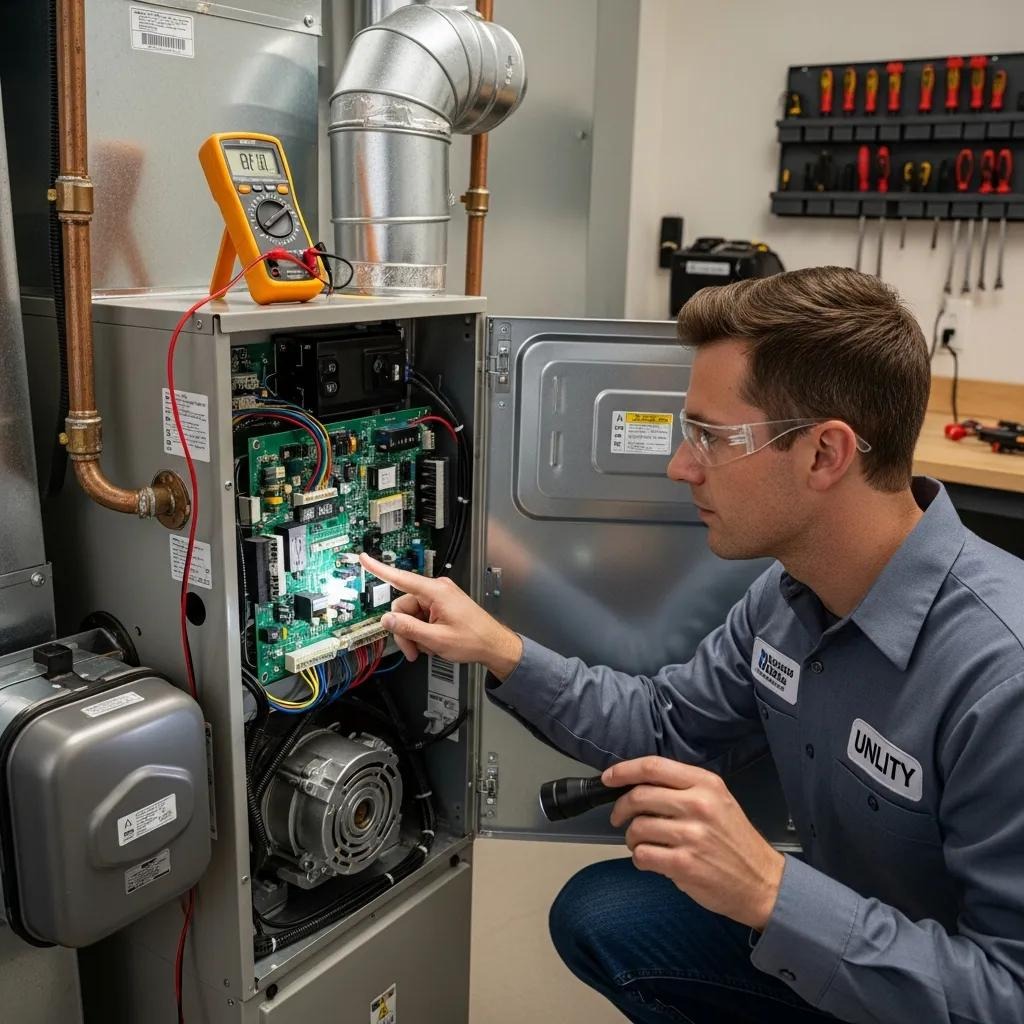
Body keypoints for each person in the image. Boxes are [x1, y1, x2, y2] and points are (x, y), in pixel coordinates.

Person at [361, 266, 1024, 1024]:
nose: (681, 467)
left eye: (711, 437)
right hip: (857, 946)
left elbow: (1006, 993)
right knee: (603, 913)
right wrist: (499, 649)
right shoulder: (784, 598)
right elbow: (665, 725)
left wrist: (775, 894)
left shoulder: (1001, 678)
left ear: (824, 454)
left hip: (942, 987)